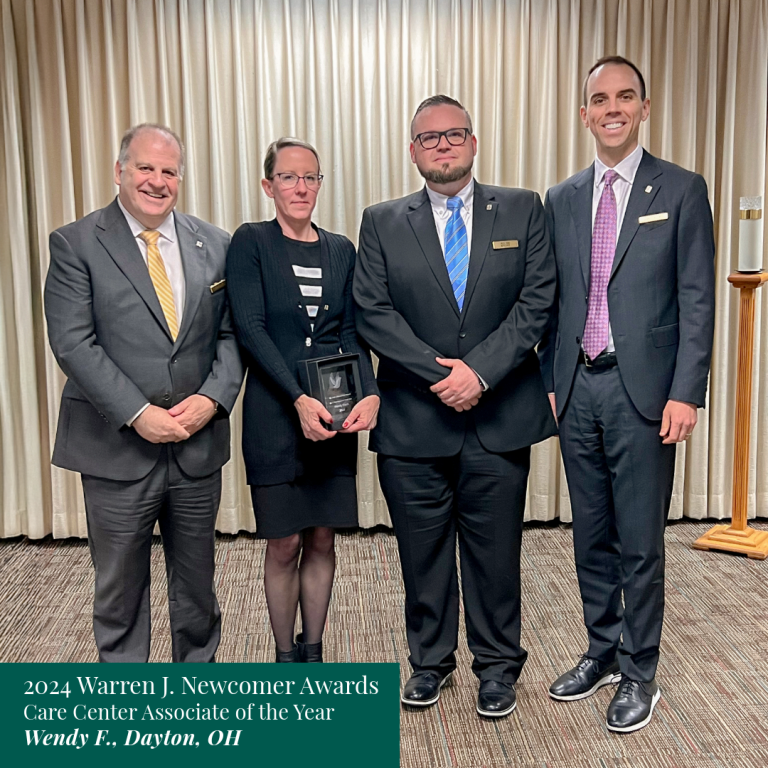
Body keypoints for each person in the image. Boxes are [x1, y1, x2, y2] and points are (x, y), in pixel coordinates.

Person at [354, 96, 557, 717]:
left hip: (498, 419)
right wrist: (443, 374)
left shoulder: (523, 208)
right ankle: (429, 662)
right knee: (422, 550)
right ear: (412, 150)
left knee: (495, 553)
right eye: (429, 138)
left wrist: (482, 374)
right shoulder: (382, 220)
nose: (443, 146)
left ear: (474, 141)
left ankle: (497, 668)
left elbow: (537, 300)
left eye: (454, 135)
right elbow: (372, 311)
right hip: (414, 419)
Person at [538, 56, 716, 732]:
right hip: (579, 387)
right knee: (591, 536)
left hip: (646, 393)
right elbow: (552, 301)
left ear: (644, 107)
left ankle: (640, 671)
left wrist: (686, 391)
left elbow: (696, 299)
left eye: (624, 97)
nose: (611, 108)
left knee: (640, 541)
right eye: (598, 99)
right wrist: (555, 383)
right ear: (583, 113)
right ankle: (602, 651)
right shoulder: (561, 198)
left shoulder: (682, 189)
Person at [44, 123, 244, 662]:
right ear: (120, 172)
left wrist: (213, 398)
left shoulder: (216, 244)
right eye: (145, 168)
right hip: (117, 450)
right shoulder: (76, 243)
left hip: (197, 447)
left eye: (169, 170)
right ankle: (128, 702)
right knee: (119, 591)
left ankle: (195, 696)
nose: (158, 181)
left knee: (198, 589)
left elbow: (233, 334)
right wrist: (137, 413)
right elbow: (73, 342)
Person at [226, 138, 379, 663]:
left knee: (321, 540)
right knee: (284, 542)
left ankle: (313, 650)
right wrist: (296, 398)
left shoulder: (341, 249)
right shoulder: (251, 242)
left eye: (310, 177)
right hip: (274, 417)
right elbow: (250, 329)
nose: (301, 187)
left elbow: (352, 334)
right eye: (289, 177)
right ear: (268, 186)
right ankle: (283, 656)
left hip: (333, 420)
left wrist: (372, 391)